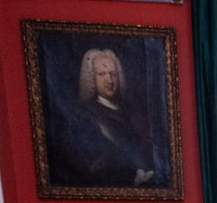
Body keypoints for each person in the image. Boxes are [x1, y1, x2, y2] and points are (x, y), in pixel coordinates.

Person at [58, 48, 157, 189]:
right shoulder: (86, 115)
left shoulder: (131, 111)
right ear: (92, 78)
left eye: (113, 74)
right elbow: (97, 161)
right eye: (102, 74)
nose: (109, 80)